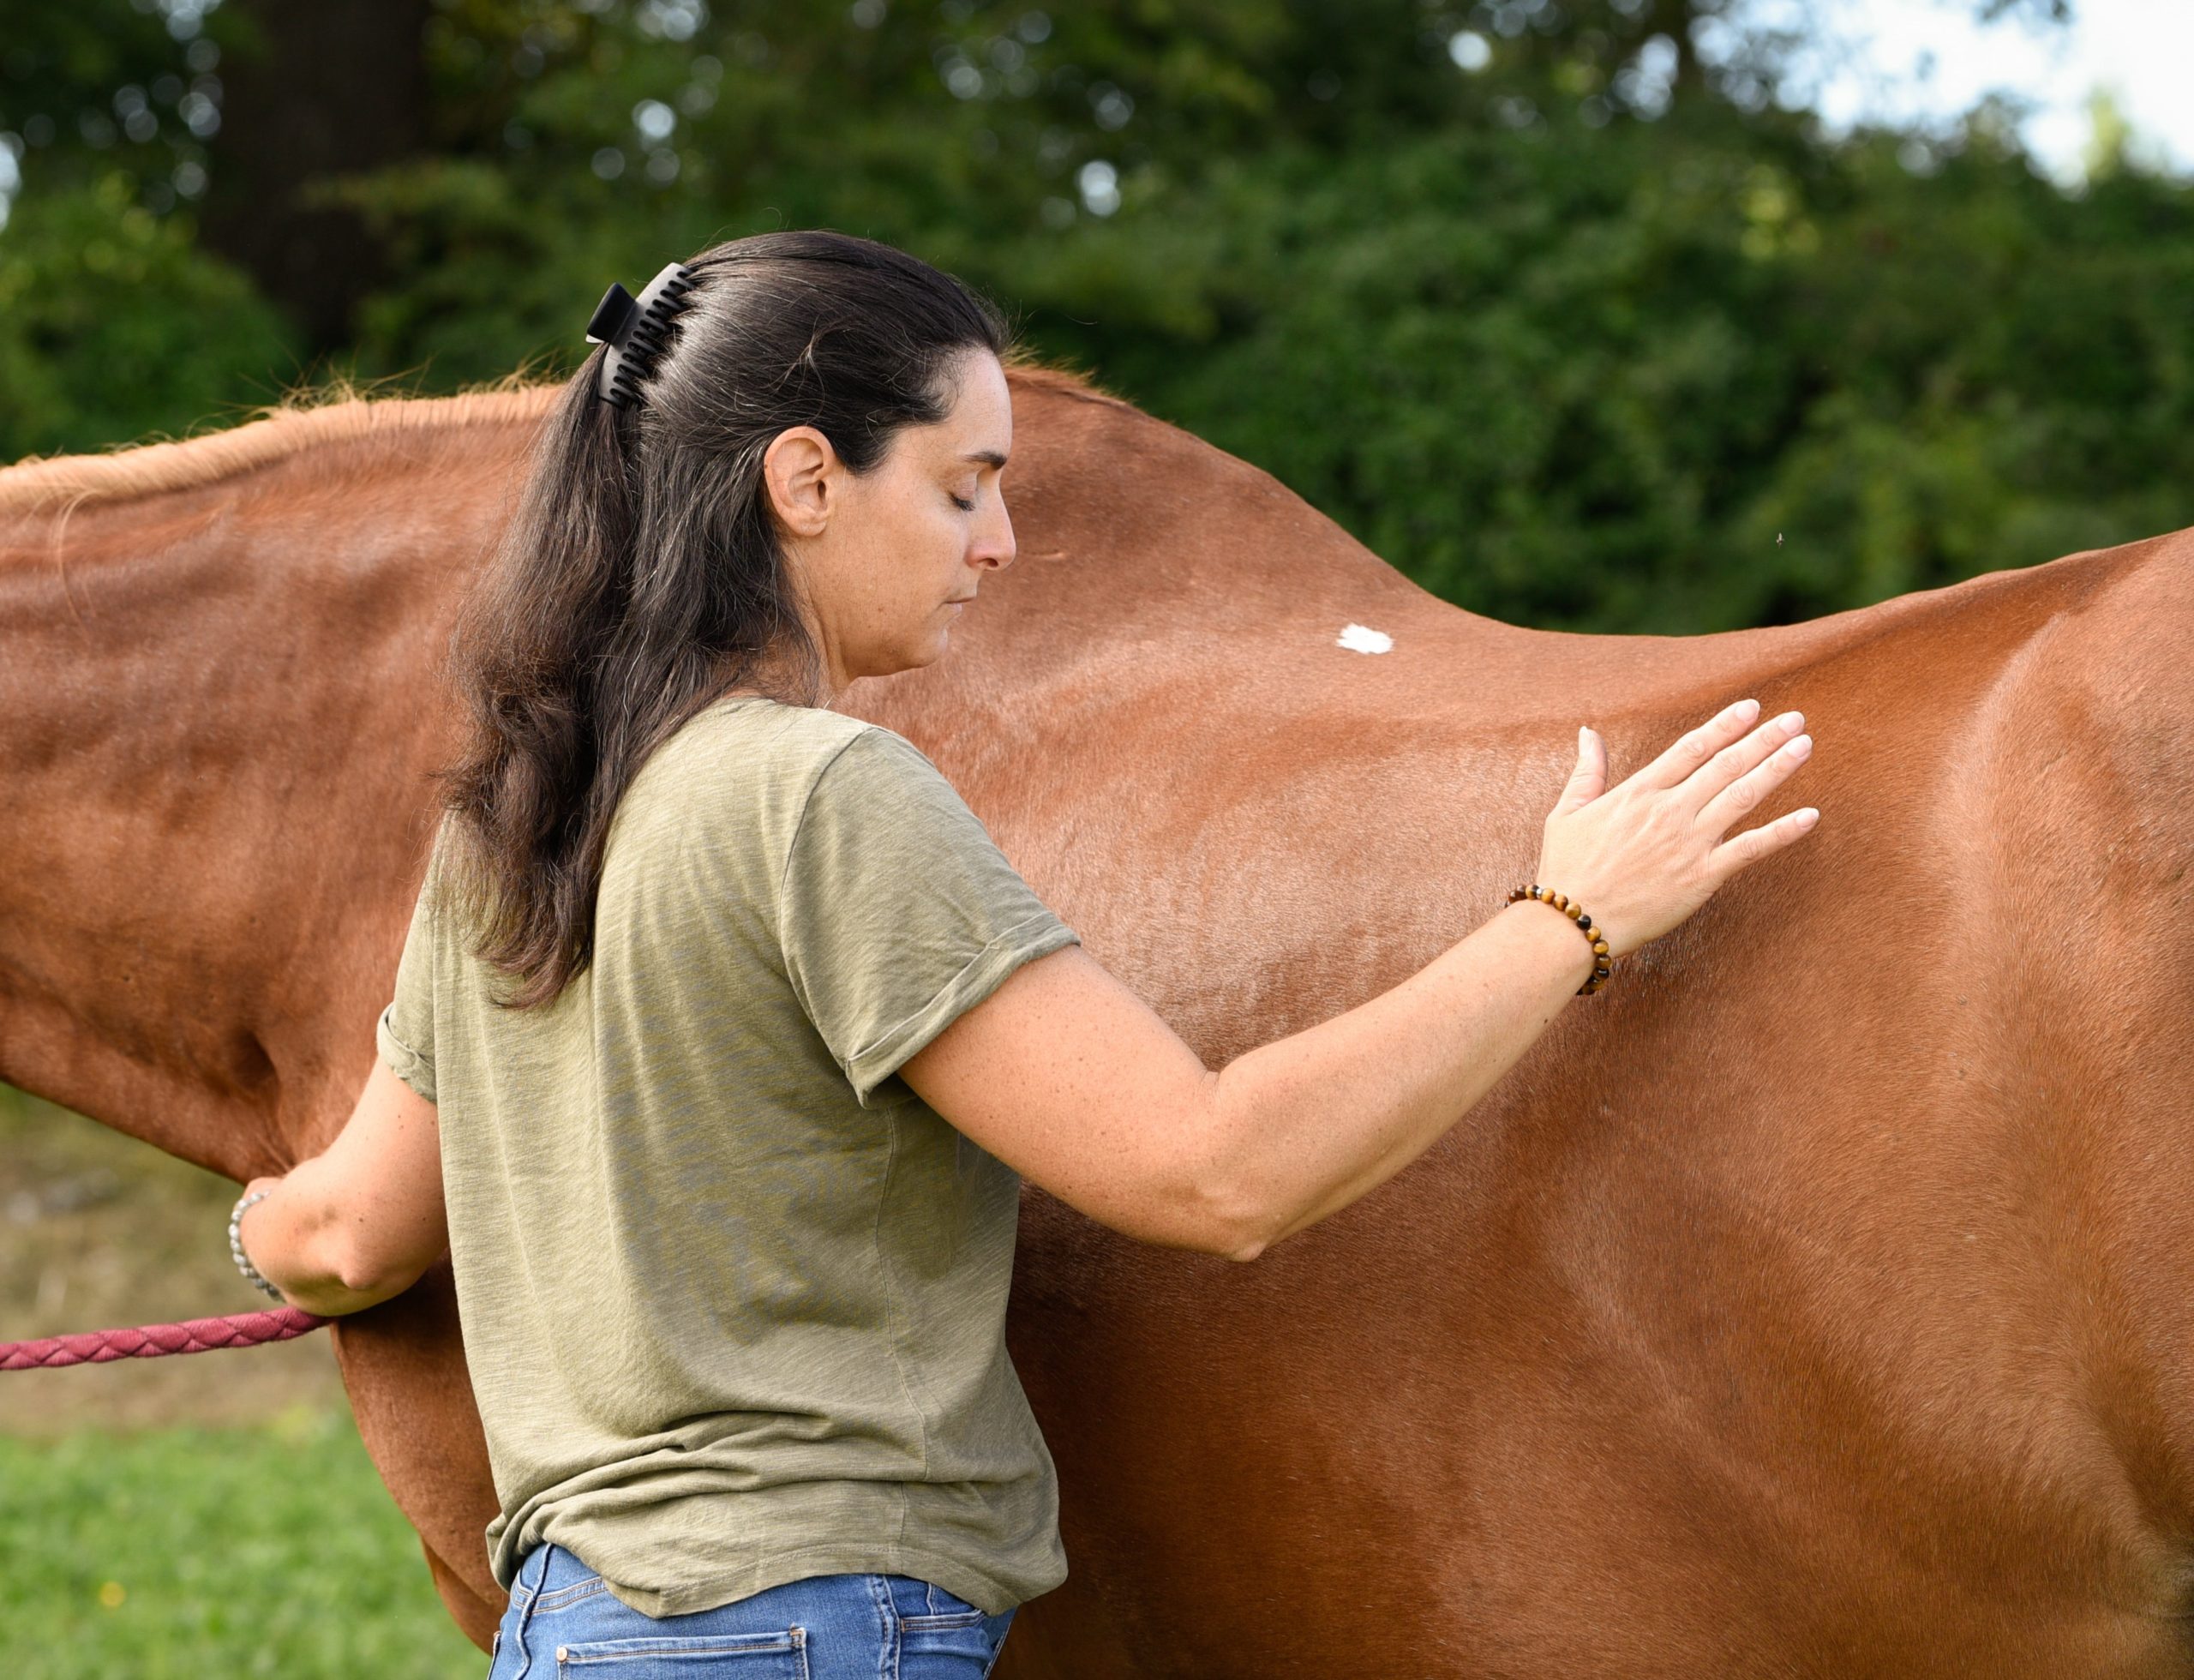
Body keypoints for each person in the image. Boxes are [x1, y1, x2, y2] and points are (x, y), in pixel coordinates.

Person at [231, 229, 1819, 1679]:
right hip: (807, 1627)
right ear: (804, 479)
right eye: (964, 483)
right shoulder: (822, 793)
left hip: (572, 1633)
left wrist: (257, 1230)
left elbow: (349, 1236)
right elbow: (1213, 1175)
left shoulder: (510, 832)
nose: (998, 544)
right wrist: (1572, 920)